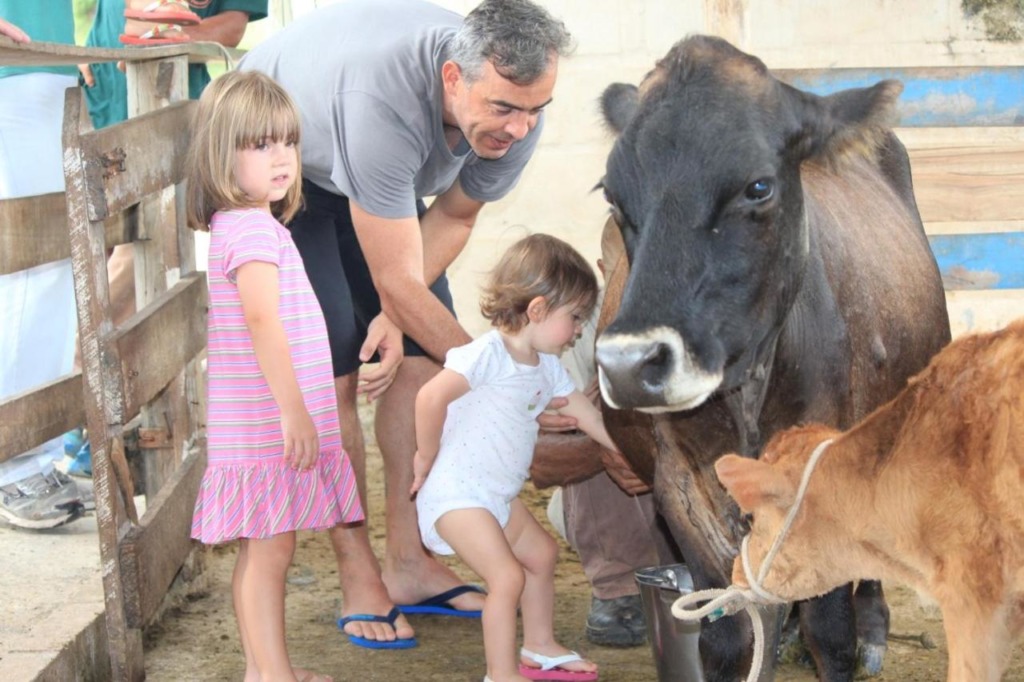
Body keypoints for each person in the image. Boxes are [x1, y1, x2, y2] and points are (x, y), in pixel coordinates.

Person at [238, 0, 573, 647]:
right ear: (453, 79)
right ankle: (358, 570)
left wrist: (399, 319)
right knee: (334, 373)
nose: (521, 127)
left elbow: (454, 216)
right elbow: (397, 277)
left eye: (537, 108)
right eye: (504, 107)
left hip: (366, 169)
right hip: (282, 164)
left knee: (422, 360)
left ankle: (410, 562)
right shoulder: (385, 97)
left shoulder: (517, 119)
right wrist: (500, 373)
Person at [186, 70, 363, 682]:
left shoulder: (247, 224)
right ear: (220, 155)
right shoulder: (254, 230)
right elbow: (263, 321)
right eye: (260, 144)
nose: (281, 156)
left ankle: (266, 673)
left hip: (261, 420)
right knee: (269, 552)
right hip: (267, 422)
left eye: (286, 141)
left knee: (269, 551)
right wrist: (296, 410)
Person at [64, 0, 268, 477]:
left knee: (143, 260)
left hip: (169, 110)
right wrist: (89, 48)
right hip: (108, 101)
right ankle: (96, 421)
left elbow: (233, 25)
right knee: (116, 255)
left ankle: (93, 421)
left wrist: (159, 37)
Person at [411, 233, 603, 682]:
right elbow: (429, 397)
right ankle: (500, 674)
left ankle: (538, 646)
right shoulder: (487, 354)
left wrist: (626, 449)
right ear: (536, 310)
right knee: (507, 579)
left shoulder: (546, 366)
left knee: (541, 554)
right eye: (574, 318)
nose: (578, 330)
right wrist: (425, 454)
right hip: (457, 495)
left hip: (494, 494)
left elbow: (585, 413)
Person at [531, 223, 680, 648]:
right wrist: (617, 445)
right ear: (606, 271)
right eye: (630, 272)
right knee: (600, 406)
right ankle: (620, 587)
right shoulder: (571, 326)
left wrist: (658, 453)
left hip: (693, 494)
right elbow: (539, 460)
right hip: (615, 512)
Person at [0, 2, 87, 529]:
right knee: (32, 267)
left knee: (53, 266)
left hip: (47, 61)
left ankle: (34, 453)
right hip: (14, 66)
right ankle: (16, 458)